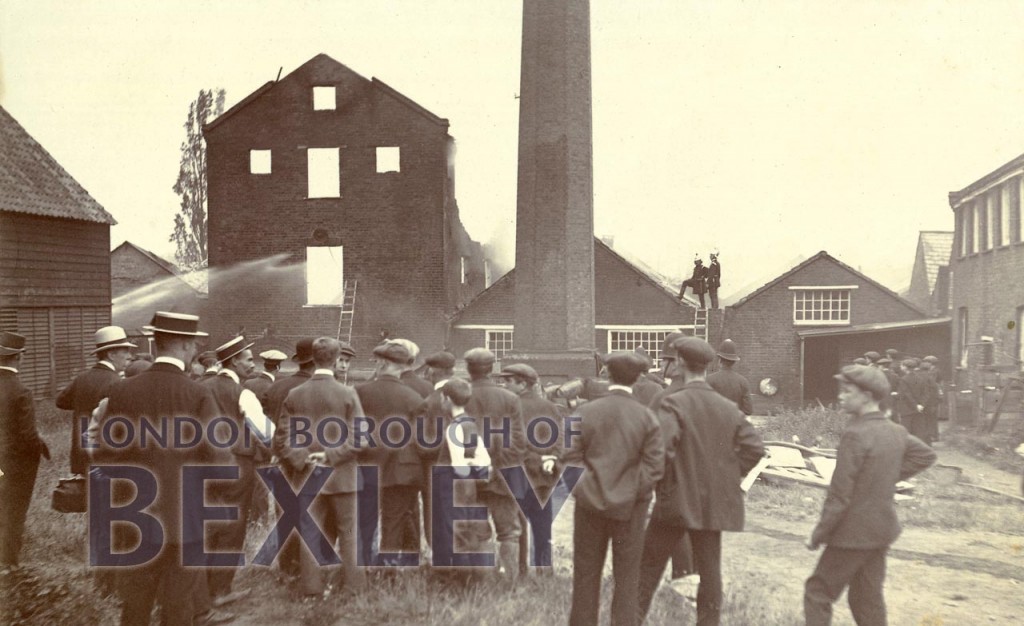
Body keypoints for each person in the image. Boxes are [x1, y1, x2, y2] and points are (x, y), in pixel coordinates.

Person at [91, 312, 229, 625]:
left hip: (134, 516)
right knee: (178, 603)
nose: (194, 351)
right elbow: (221, 461)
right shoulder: (198, 393)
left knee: (136, 601)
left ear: (157, 344)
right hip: (187, 517)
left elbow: (105, 456)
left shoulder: (122, 391)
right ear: (184, 345)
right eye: (193, 345)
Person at [637, 337, 764, 626]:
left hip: (675, 501)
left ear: (680, 362)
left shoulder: (673, 403)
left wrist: (659, 482)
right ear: (709, 365)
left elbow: (660, 451)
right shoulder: (727, 408)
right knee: (710, 570)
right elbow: (755, 449)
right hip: (712, 504)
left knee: (647, 569)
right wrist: (727, 475)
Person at [804, 364, 936, 625]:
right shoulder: (896, 431)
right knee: (866, 599)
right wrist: (883, 477)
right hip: (880, 532)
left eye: (847, 391)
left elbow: (839, 497)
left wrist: (818, 534)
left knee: (818, 593)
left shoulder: (855, 435)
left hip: (851, 535)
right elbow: (926, 455)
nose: (841, 396)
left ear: (866, 395)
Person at [564, 352, 665, 626]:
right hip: (630, 509)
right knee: (627, 578)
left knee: (585, 575)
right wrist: (631, 492)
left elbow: (569, 459)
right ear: (639, 378)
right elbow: (654, 466)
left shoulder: (584, 412)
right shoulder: (646, 417)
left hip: (588, 507)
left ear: (607, 375)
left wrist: (586, 490)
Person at [278, 337, 366, 597]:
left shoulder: (294, 394)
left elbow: (282, 439)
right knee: (349, 533)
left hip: (307, 476)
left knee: (309, 533)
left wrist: (305, 458)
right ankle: (354, 588)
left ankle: (311, 587)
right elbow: (359, 437)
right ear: (337, 357)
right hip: (343, 476)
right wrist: (330, 456)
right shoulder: (348, 393)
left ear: (313, 358)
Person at [199, 335, 273, 609]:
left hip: (201, 467)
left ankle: (199, 589)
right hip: (236, 466)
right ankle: (219, 589)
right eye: (248, 360)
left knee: (206, 525)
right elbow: (264, 430)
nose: (252, 366)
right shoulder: (242, 393)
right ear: (233, 361)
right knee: (231, 528)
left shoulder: (200, 386)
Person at [356, 341, 425, 566]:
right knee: (393, 523)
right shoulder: (414, 398)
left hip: (365, 468)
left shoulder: (360, 392)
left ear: (383, 363)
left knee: (364, 522)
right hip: (401, 472)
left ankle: (362, 568)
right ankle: (389, 571)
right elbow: (422, 442)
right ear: (403, 366)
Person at [464, 347, 528, 583]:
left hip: (469, 475)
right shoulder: (510, 398)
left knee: (478, 532)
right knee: (509, 532)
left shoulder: (460, 395)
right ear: (492, 369)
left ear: (469, 368)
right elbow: (519, 441)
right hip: (503, 475)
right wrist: (497, 466)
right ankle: (509, 583)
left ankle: (484, 582)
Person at [498, 363, 564, 574]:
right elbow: (561, 439)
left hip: (518, 472)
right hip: (545, 474)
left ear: (522, 384)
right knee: (542, 524)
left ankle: (520, 570)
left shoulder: (509, 407)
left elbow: (512, 443)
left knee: (518, 525)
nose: (504, 384)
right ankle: (545, 570)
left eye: (508, 381)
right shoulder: (551, 407)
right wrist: (551, 458)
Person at [266, 338, 317, 577]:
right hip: (308, 460)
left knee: (284, 513)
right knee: (310, 513)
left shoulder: (276, 386)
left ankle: (287, 566)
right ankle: (306, 568)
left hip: (282, 458)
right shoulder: (316, 388)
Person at [0, 332, 50, 575]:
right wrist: (37, 451)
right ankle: (8, 562)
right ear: (18, 357)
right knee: (14, 509)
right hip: (14, 464)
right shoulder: (20, 391)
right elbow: (27, 435)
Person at [56, 326, 135, 476]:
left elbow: (61, 402)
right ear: (111, 354)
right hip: (104, 458)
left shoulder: (82, 378)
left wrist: (83, 404)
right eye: (125, 351)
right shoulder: (117, 383)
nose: (128, 356)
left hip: (80, 455)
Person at [706, 338, 753, 415]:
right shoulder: (743, 381)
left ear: (719, 360)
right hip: (735, 425)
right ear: (734, 362)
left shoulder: (709, 380)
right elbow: (748, 410)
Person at [896, 358, 934, 444]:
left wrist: (915, 405)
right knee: (919, 430)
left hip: (907, 409)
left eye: (902, 365)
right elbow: (926, 393)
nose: (900, 367)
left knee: (906, 430)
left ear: (905, 367)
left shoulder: (903, 379)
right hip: (920, 409)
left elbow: (907, 394)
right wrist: (921, 405)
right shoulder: (921, 378)